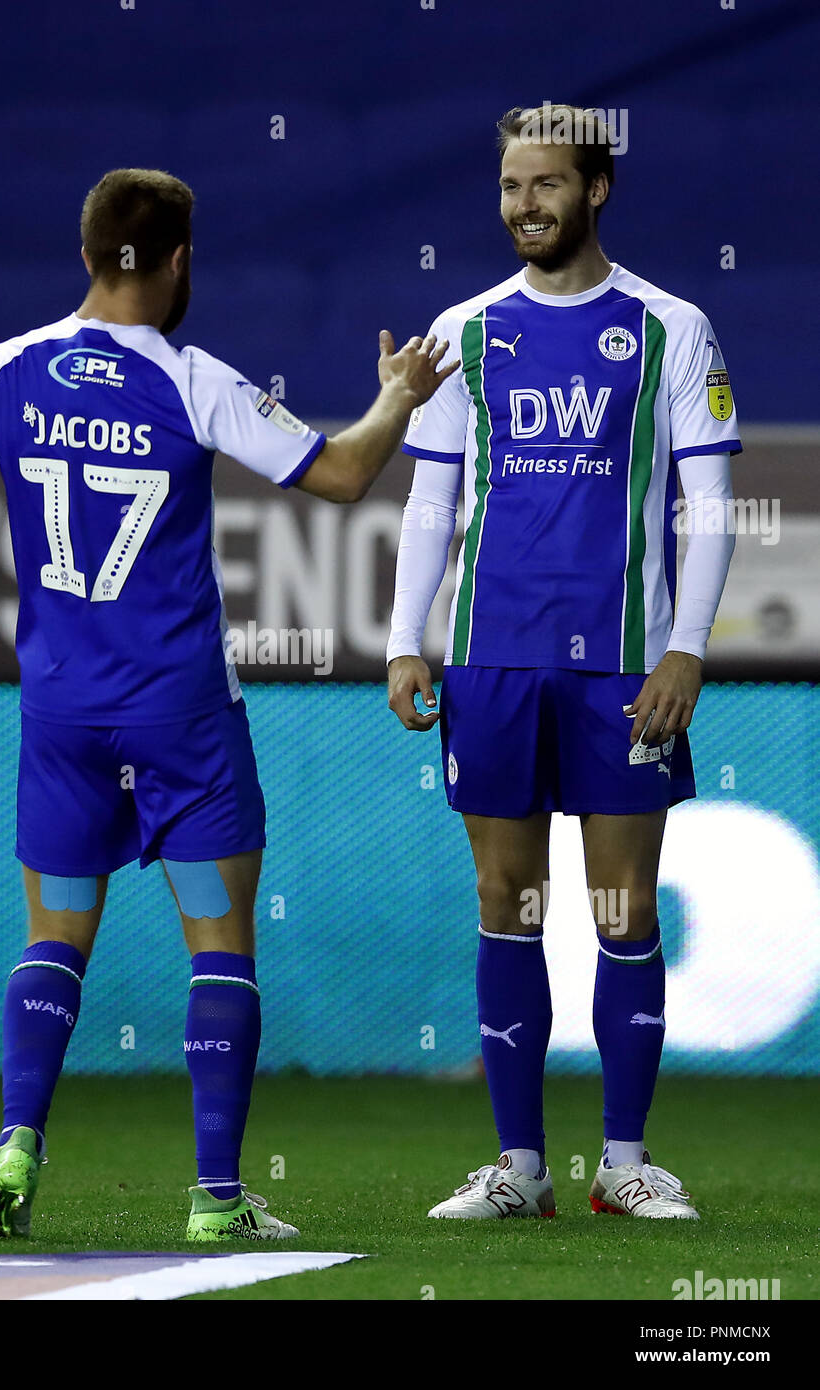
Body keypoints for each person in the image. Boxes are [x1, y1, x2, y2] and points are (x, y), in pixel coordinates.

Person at [0, 167, 457, 1242]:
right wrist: (395, 397)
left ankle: (15, 1144)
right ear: (180, 261)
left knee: (54, 936)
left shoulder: (0, 368)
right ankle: (212, 1197)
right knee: (220, 945)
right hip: (181, 717)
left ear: (85, 254)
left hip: (61, 717)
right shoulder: (192, 380)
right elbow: (339, 476)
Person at [387, 107, 740, 1221]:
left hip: (623, 668)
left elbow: (709, 502)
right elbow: (432, 498)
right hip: (490, 664)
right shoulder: (465, 330)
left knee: (622, 908)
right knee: (506, 903)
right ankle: (519, 1170)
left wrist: (685, 643)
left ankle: (625, 1163)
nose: (521, 207)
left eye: (544, 185)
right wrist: (405, 638)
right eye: (507, 187)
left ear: (596, 189)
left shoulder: (667, 326)